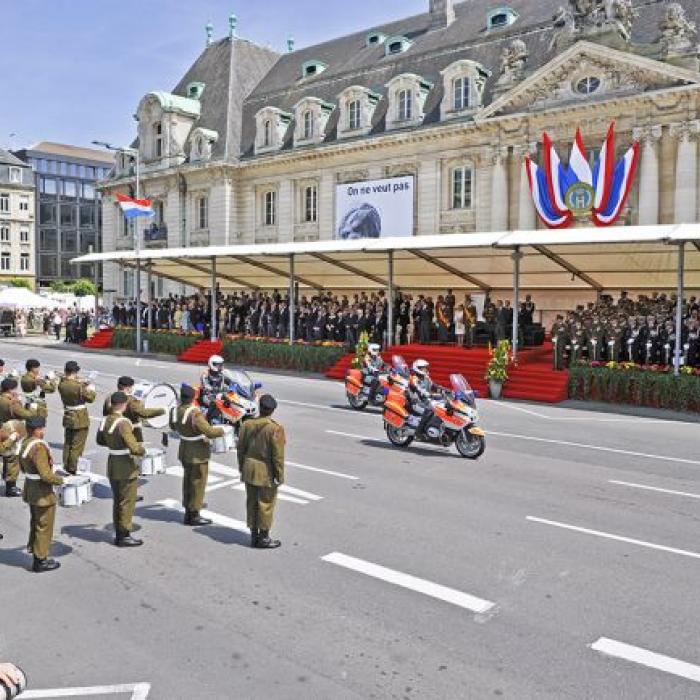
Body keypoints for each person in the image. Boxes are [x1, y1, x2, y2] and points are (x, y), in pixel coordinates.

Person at [170, 385, 224, 526]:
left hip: (184, 449)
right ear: (193, 398)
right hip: (198, 452)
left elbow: (173, 427)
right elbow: (209, 432)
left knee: (188, 481)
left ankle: (188, 511)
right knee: (198, 483)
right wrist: (222, 431)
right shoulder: (195, 413)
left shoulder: (175, 411)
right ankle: (194, 514)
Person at [96, 392, 146, 547]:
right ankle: (124, 535)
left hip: (112, 463)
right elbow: (134, 448)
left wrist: (114, 445)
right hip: (125, 466)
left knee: (118, 501)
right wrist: (142, 450)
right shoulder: (123, 422)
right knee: (127, 502)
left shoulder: (105, 420)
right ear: (124, 404)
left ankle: (119, 532)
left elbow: (100, 441)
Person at [237, 394, 285, 549]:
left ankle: (253, 535)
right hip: (266, 472)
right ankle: (263, 538)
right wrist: (279, 475)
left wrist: (242, 468)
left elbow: (240, 450)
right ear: (272, 411)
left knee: (251, 502)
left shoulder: (247, 424)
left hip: (249, 469)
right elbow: (278, 456)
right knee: (266, 504)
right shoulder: (275, 428)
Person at [20, 415, 64, 573]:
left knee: (36, 523)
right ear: (37, 430)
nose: (44, 431)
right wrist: (62, 480)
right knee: (44, 526)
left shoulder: (25, 442)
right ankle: (41, 560)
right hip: (42, 492)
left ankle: (35, 551)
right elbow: (45, 475)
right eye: (42, 428)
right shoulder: (38, 447)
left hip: (31, 487)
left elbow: (23, 468)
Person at [0, 377, 38, 497]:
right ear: (11, 389)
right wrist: (32, 407)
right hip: (10, 430)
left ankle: (6, 478)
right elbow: (27, 415)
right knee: (12, 459)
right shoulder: (12, 403)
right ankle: (10, 488)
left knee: (5, 456)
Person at [58, 361, 96, 475]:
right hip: (80, 416)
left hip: (68, 414)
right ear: (75, 371)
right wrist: (90, 387)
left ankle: (66, 464)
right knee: (77, 445)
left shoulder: (62, 383)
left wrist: (80, 382)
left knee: (68, 443)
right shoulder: (78, 386)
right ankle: (73, 468)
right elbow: (90, 398)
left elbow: (67, 382)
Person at [103, 376, 166, 444]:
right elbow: (144, 413)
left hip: (114, 431)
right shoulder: (131, 400)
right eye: (132, 387)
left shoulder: (109, 397)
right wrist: (162, 410)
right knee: (134, 452)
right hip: (132, 432)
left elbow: (105, 413)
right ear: (128, 388)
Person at [408, 359, 442, 439]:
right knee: (430, 410)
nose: (425, 369)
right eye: (423, 368)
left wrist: (444, 390)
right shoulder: (414, 378)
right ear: (418, 368)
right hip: (416, 402)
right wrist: (428, 394)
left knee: (441, 407)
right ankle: (418, 432)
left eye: (426, 368)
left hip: (425, 401)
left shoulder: (426, 378)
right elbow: (418, 388)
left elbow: (434, 386)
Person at [199, 355, 228, 423]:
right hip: (207, 395)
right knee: (215, 403)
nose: (220, 366)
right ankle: (210, 420)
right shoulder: (206, 374)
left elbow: (227, 382)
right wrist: (214, 389)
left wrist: (234, 385)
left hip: (218, 394)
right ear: (212, 364)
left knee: (230, 400)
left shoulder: (221, 374)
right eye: (218, 365)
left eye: (221, 364)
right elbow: (205, 385)